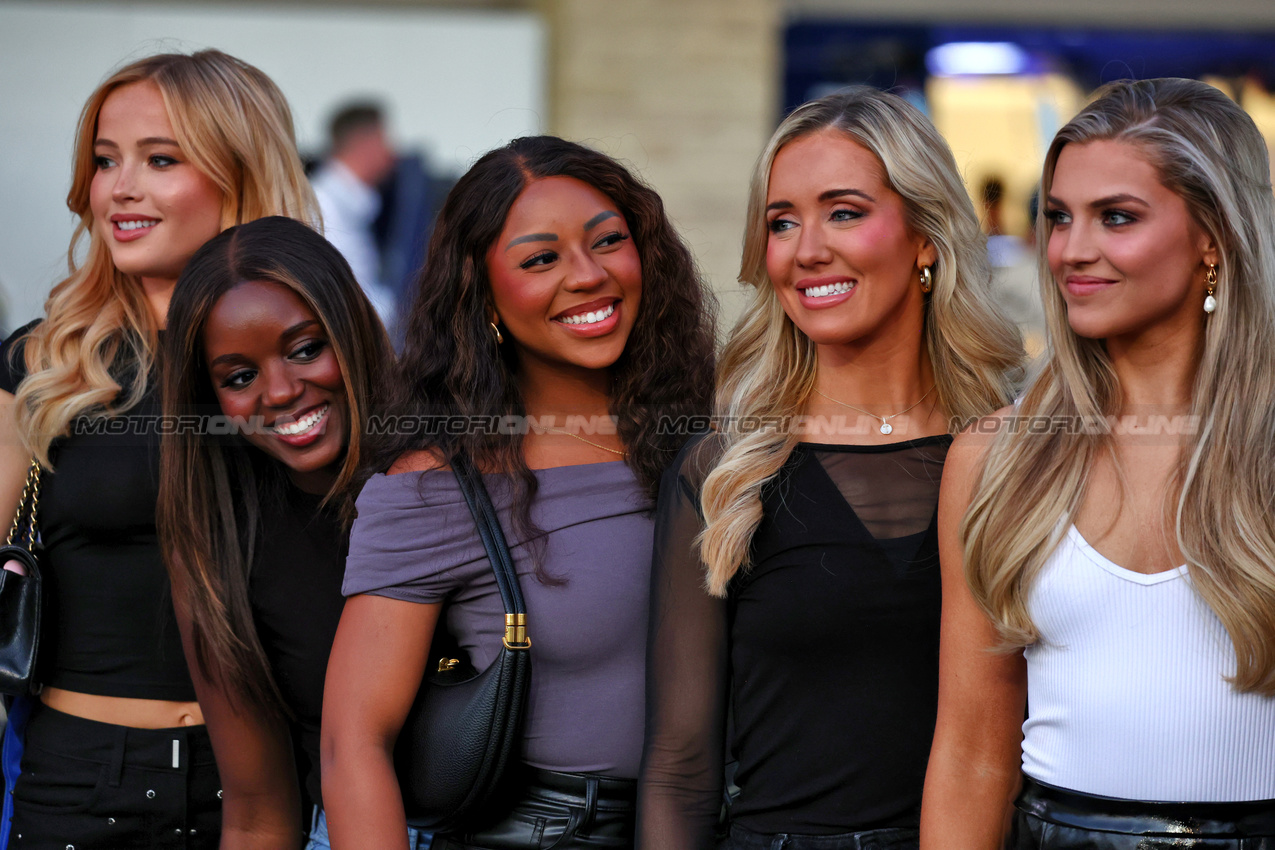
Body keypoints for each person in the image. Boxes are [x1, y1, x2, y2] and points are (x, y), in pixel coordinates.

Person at [636, 87, 1022, 850]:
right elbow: (681, 767)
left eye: (842, 211)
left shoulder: (1020, 457)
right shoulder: (725, 471)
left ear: (924, 235)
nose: (805, 249)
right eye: (781, 222)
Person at [321, 135, 717, 850]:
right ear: (485, 297)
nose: (587, 275)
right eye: (541, 259)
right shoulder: (436, 485)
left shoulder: (712, 443)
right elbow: (353, 747)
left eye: (608, 242)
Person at [920, 78, 1275, 850]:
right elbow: (971, 754)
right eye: (1057, 218)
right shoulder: (994, 457)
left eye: (1115, 217)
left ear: (1212, 237)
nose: (1071, 251)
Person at [0, 50, 317, 848]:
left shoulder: (323, 364)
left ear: (240, 173)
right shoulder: (41, 366)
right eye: (106, 162)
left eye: (161, 159)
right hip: (79, 780)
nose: (121, 188)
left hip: (277, 790)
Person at [158, 216, 392, 848]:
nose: (282, 391)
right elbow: (259, 810)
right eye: (239, 378)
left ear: (352, 330)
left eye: (306, 348)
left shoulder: (453, 470)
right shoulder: (218, 542)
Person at [310, 102, 399, 327]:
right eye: (385, 141)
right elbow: (338, 298)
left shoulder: (347, 202)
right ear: (366, 145)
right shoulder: (321, 206)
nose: (392, 154)